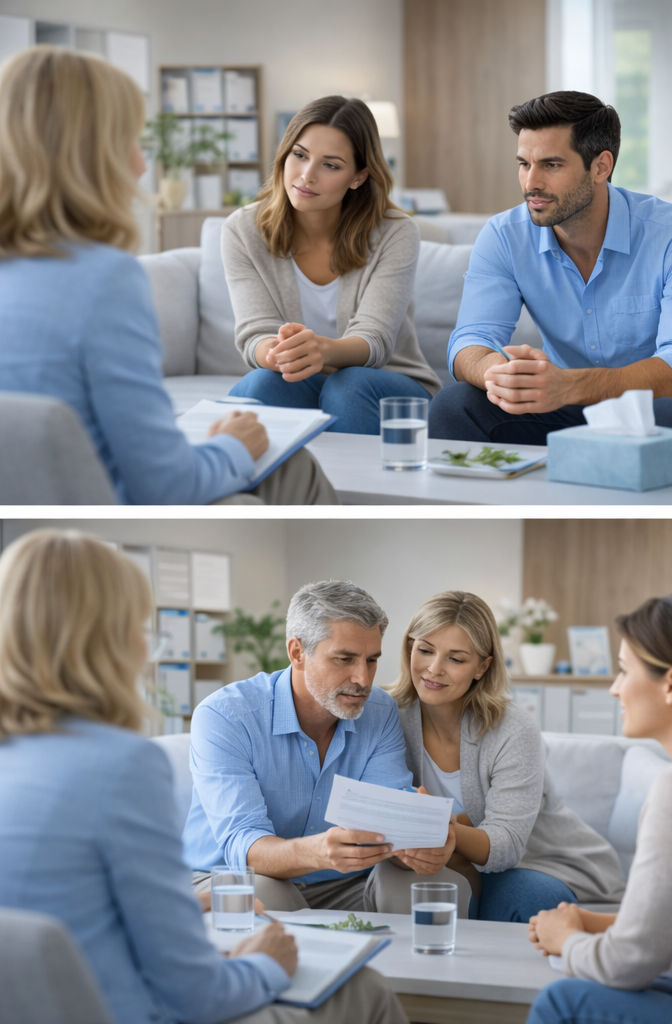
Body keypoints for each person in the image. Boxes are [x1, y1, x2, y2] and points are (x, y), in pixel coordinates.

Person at [0, 530, 405, 1024]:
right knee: (367, 989)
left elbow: (73, 908)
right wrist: (265, 966)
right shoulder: (124, 764)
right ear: (109, 641)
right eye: (138, 628)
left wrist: (182, 911)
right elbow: (196, 995)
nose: (146, 649)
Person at [0, 47, 336, 504]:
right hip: (100, 520)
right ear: (88, 156)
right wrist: (234, 446)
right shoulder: (104, 280)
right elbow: (164, 486)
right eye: (129, 141)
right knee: (293, 465)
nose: (141, 166)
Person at [430, 91, 672, 454]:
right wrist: (500, 372)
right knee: (453, 405)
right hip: (563, 407)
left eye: (551, 165)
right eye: (524, 164)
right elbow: (470, 341)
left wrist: (571, 385)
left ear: (601, 167)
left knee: (663, 421)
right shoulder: (504, 236)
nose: (531, 183)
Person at [525, 594, 672, 1024]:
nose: (614, 688)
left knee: (562, 1000)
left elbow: (630, 964)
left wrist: (568, 942)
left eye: (624, 670)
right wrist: (591, 923)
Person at [183, 580, 472, 917]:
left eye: (371, 660)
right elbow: (243, 846)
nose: (363, 679)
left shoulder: (379, 710)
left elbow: (386, 824)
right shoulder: (226, 716)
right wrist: (317, 852)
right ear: (297, 653)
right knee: (265, 893)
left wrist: (419, 846)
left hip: (343, 882)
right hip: (234, 875)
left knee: (433, 886)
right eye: (344, 659)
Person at [386, 591, 626, 922]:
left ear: (482, 667)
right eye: (425, 650)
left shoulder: (513, 730)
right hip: (452, 865)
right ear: (409, 647)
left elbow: (506, 844)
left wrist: (443, 828)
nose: (434, 669)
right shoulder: (388, 716)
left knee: (523, 898)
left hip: (541, 864)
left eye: (456, 659)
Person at [223, 95, 439, 435]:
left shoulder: (395, 232)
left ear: (358, 177)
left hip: (385, 385)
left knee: (347, 386)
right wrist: (278, 353)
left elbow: (375, 340)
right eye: (299, 155)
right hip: (300, 382)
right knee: (262, 383)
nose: (306, 175)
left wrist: (321, 350)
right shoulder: (243, 229)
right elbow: (255, 334)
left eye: (331, 165)